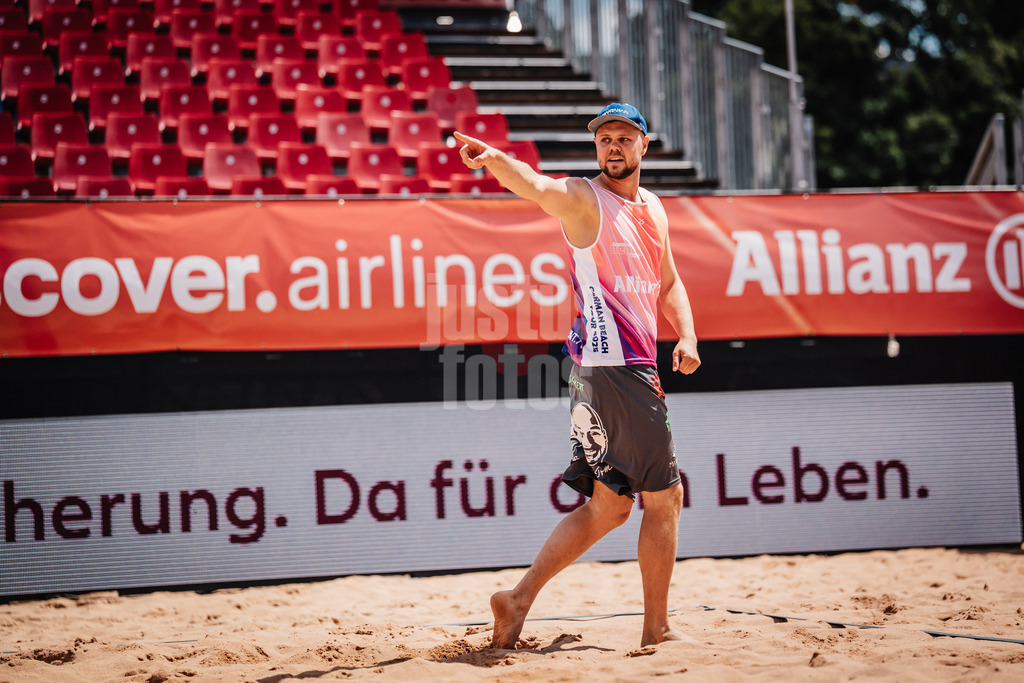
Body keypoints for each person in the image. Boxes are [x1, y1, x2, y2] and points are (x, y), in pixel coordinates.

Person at [454, 102, 701, 650]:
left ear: (643, 145)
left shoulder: (654, 209)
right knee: (665, 498)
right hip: (617, 371)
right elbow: (537, 187)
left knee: (609, 506)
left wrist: (687, 335)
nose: (612, 146)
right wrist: (495, 158)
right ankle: (657, 629)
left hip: (605, 372)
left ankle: (516, 600)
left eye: (624, 137)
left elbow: (669, 282)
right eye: (604, 138)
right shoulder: (584, 200)